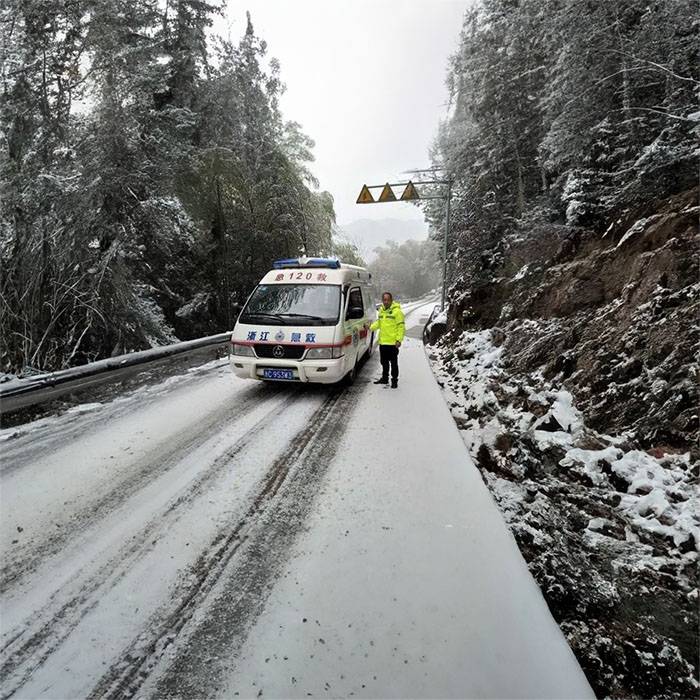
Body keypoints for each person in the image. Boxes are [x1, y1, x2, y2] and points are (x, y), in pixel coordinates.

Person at [370, 292, 405, 388]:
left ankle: (394, 381)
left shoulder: (397, 312)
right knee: (384, 362)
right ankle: (385, 378)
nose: (386, 302)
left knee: (394, 363)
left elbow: (401, 327)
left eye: (387, 299)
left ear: (391, 300)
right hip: (383, 342)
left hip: (393, 343)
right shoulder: (381, 310)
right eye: (384, 300)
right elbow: (379, 323)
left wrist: (399, 340)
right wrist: (370, 327)